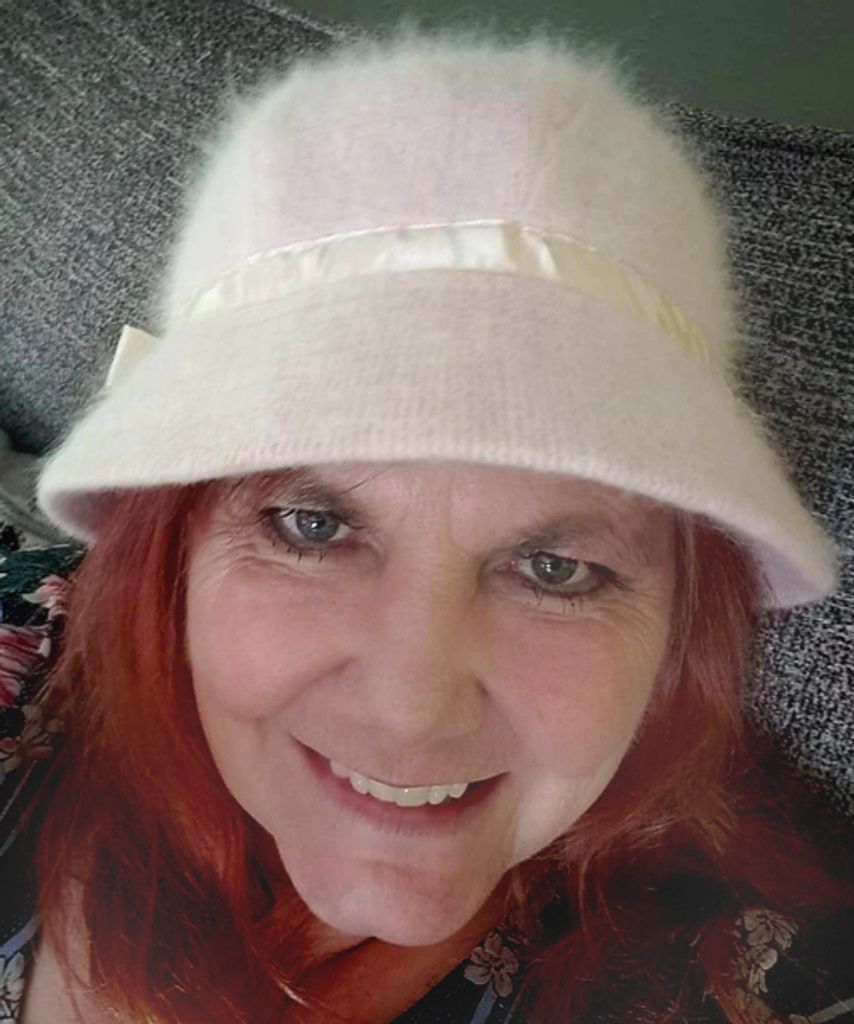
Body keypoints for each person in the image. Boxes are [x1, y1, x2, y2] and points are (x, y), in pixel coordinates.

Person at [1, 19, 851, 1024]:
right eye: (313, 526)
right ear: (174, 547)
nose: (410, 710)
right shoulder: (27, 648)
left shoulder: (746, 976)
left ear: (678, 624)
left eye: (555, 568)